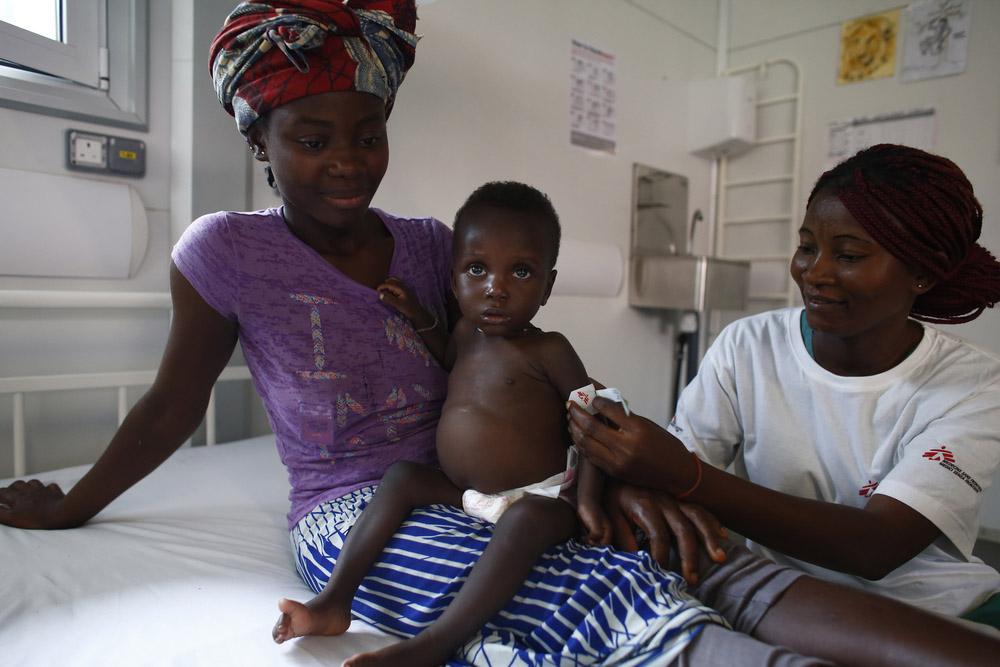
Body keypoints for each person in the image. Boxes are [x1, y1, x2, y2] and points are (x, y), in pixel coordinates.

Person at [0, 1, 997, 662]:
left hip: (493, 478)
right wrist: (76, 502)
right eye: (311, 139)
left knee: (691, 544)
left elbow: (501, 363)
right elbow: (173, 405)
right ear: (255, 140)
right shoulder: (224, 249)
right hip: (358, 505)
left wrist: (615, 475)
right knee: (586, 577)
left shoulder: (435, 245)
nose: (349, 162)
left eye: (367, 134)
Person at [568, 144, 1000, 636]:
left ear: (923, 271)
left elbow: (876, 546)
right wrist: (635, 474)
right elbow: (668, 478)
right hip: (779, 594)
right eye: (807, 247)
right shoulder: (749, 346)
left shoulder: (972, 383)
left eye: (850, 255)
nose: (814, 274)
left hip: (935, 613)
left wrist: (684, 475)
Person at [273, 181, 626, 666]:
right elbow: (447, 356)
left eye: (520, 271)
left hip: (536, 497)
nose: (495, 287)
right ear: (455, 277)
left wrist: (587, 502)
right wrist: (416, 313)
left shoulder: (550, 350)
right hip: (463, 494)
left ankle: (434, 643)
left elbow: (596, 416)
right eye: (477, 270)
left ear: (547, 285)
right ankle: (335, 600)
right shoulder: (465, 332)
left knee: (525, 521)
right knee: (402, 478)